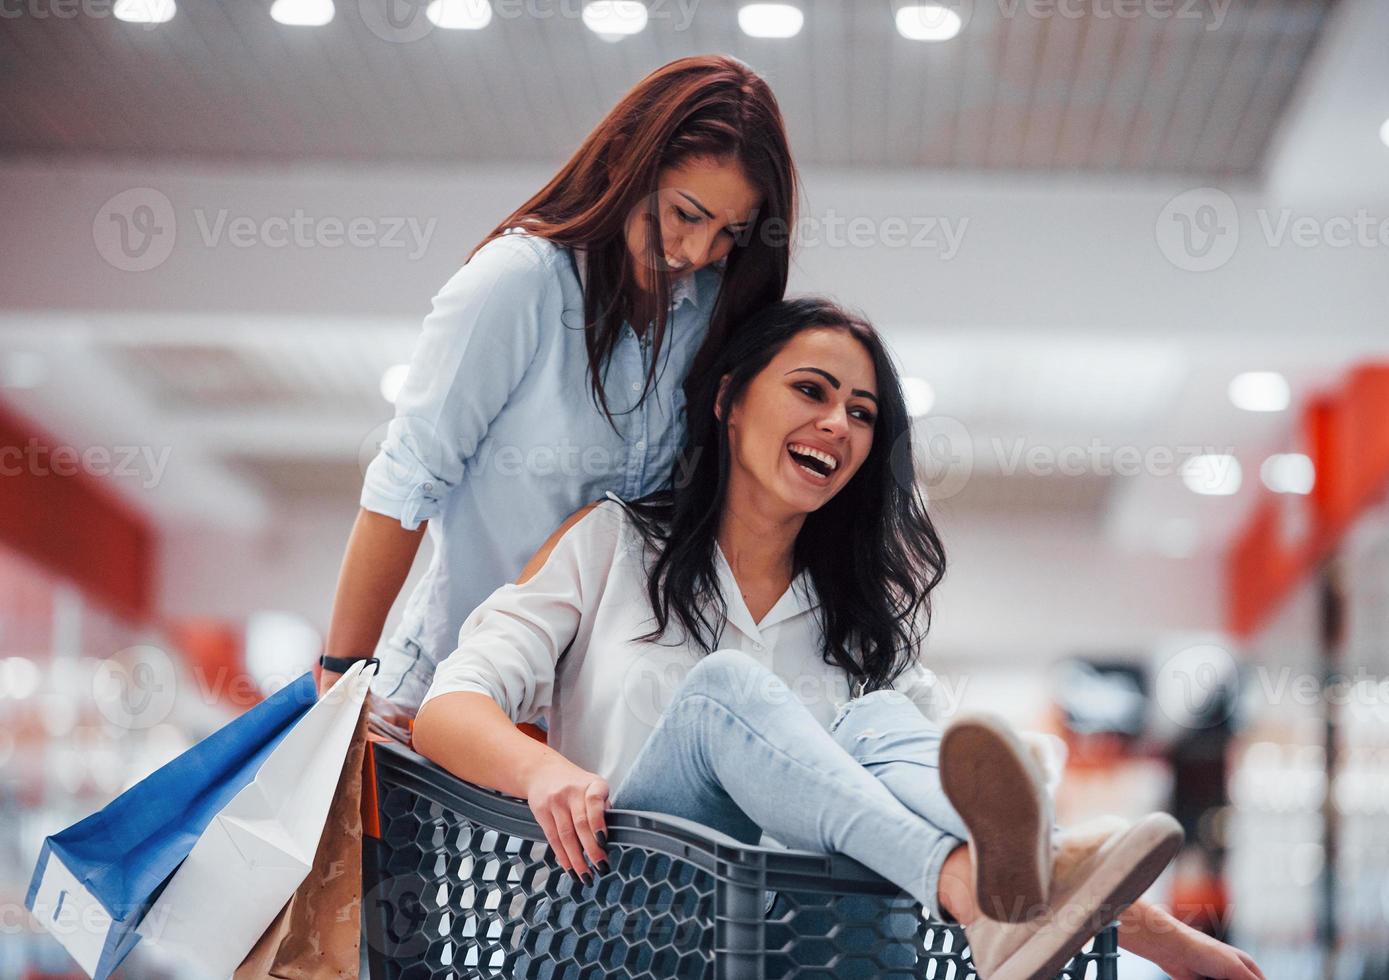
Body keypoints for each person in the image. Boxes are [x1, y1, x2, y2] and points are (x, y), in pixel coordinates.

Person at [412, 298, 1266, 979]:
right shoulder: (614, 545)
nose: (839, 424)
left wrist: (1175, 947)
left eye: (861, 412)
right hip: (616, 932)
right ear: (729, 398)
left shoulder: (860, 622)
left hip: (799, 955)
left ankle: (1002, 897)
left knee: (881, 727)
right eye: (812, 391)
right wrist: (546, 772)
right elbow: (446, 710)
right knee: (727, 695)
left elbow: (968, 802)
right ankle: (966, 895)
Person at [317, 55, 798, 724]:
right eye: (685, 214)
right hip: (444, 701)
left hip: (598, 723)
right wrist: (341, 677)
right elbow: (408, 481)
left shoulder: (712, 313)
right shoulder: (518, 283)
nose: (698, 250)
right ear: (623, 161)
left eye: (730, 233)